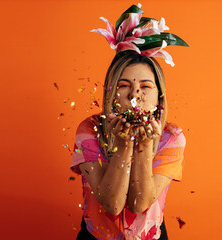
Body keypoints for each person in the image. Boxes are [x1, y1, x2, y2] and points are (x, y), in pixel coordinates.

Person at [70, 4, 189, 240]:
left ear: (159, 97)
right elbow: (112, 206)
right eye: (124, 86)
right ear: (111, 94)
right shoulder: (89, 130)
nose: (135, 95)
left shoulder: (172, 137)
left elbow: (140, 204)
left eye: (146, 86)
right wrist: (124, 145)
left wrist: (144, 146)